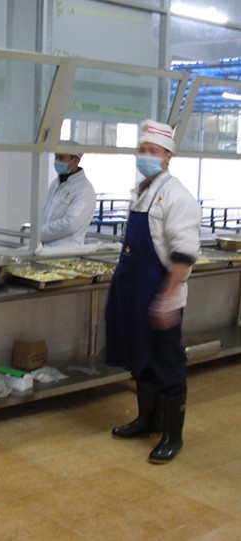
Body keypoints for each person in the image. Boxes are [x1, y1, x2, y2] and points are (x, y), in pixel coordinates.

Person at [105, 119, 201, 464]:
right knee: (141, 360)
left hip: (161, 296)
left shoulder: (177, 196)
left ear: (168, 156)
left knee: (167, 365)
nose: (145, 155)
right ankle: (147, 420)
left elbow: (184, 253)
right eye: (142, 149)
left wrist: (166, 298)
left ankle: (173, 436)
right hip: (134, 295)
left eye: (153, 150)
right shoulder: (142, 191)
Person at [40, 148, 96, 248]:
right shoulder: (55, 183)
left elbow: (70, 224)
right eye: (56, 157)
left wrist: (40, 233)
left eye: (61, 158)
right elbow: (45, 213)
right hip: (45, 247)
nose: (57, 161)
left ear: (75, 161)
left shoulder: (85, 189)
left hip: (66, 249)